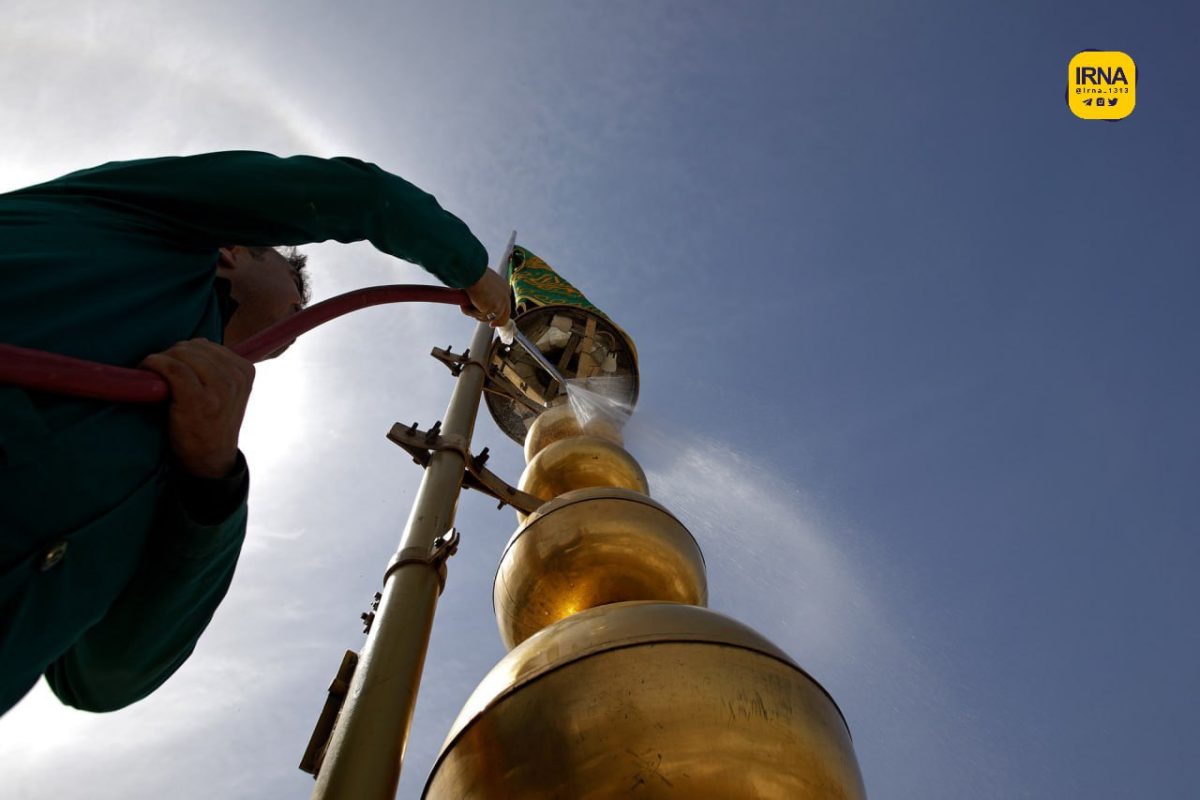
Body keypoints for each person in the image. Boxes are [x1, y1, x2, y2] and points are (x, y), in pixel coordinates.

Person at [0, 151, 511, 715]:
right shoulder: (131, 217)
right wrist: (475, 273)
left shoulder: (182, 463)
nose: (302, 304)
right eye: (296, 281)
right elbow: (353, 194)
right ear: (233, 248)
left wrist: (211, 482)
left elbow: (104, 678)